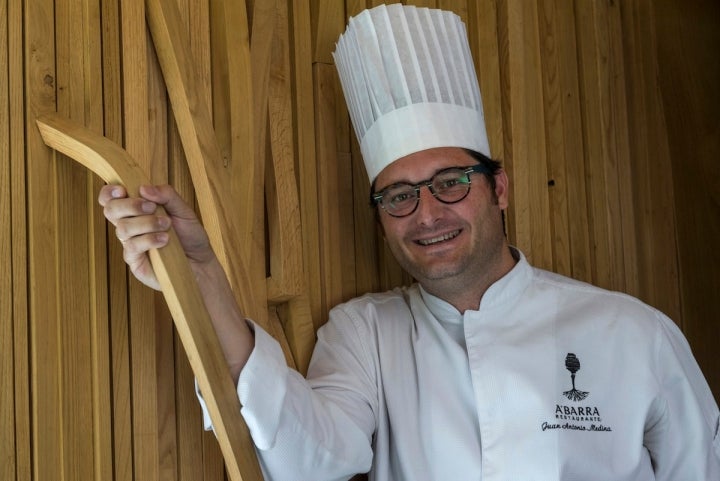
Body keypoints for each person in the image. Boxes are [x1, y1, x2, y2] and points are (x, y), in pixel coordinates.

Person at [99, 4, 720, 480]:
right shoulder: (365, 333)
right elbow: (308, 457)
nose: (426, 213)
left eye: (450, 183)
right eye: (398, 195)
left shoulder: (633, 333)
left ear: (498, 188)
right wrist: (201, 272)